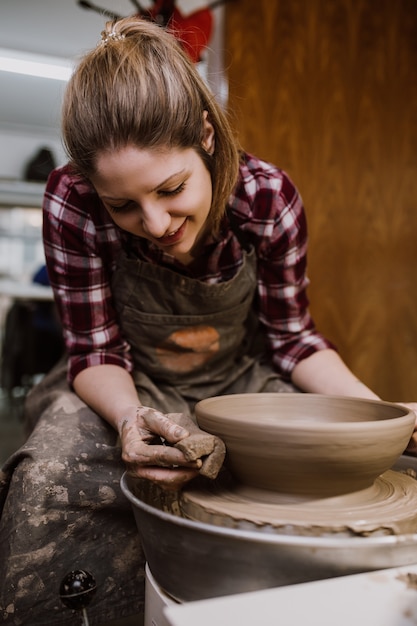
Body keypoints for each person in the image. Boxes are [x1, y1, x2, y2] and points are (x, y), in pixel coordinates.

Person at [1, 15, 416, 626]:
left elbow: (293, 339)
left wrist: (379, 416)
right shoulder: (70, 199)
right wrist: (128, 420)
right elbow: (94, 349)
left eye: (171, 189)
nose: (156, 222)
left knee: (345, 476)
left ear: (205, 136)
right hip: (123, 383)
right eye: (123, 205)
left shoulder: (267, 197)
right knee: (50, 481)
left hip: (238, 380)